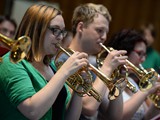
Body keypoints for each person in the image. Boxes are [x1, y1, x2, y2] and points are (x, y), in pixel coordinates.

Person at [0, 4, 89, 120]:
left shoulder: (52, 66)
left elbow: (69, 117)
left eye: (62, 32)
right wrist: (65, 71)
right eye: (55, 30)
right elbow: (32, 111)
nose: (60, 37)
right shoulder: (12, 62)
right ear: (36, 29)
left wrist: (80, 88)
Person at [69, 3, 128, 120]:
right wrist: (107, 68)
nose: (104, 37)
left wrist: (118, 82)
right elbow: (88, 107)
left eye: (106, 32)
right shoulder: (61, 60)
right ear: (80, 28)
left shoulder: (93, 65)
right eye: (99, 30)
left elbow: (114, 117)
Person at [107, 29, 160, 120]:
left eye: (144, 55)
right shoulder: (107, 81)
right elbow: (119, 117)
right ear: (124, 51)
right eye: (140, 54)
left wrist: (157, 103)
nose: (143, 60)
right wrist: (145, 91)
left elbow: (144, 118)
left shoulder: (131, 82)